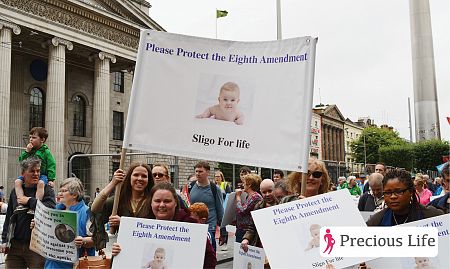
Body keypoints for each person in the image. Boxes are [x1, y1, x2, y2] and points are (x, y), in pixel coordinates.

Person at [112, 182, 216, 268]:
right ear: (151, 203)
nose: (162, 205)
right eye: (157, 201)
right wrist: (120, 252)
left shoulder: (190, 226)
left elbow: (210, 258)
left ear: (175, 202)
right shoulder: (140, 226)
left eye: (167, 201)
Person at [1, 156, 56, 268]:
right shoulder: (15, 191)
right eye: (32, 171)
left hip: (37, 246)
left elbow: (50, 211)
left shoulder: (47, 190)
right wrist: (4, 240)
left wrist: (30, 201)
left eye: (38, 171)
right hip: (15, 245)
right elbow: (10, 216)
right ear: (23, 173)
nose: (36, 174)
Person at [91, 163, 154, 238]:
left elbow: (155, 228)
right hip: (121, 248)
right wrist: (113, 183)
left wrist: (124, 223)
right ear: (129, 177)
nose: (139, 178)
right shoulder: (118, 200)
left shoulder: (154, 201)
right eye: (136, 175)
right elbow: (94, 208)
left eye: (144, 176)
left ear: (148, 180)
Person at [43, 177, 95, 269]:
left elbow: (97, 240)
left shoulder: (87, 213)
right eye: (60, 191)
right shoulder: (55, 210)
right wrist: (37, 226)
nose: (59, 193)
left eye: (64, 191)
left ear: (74, 194)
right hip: (51, 265)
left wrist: (83, 241)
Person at [366, 169, 443, 226]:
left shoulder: (433, 217)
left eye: (399, 192)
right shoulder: (375, 222)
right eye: (388, 193)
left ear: (410, 191)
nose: (393, 196)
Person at [16, 127, 56, 211]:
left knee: (41, 183)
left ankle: (36, 205)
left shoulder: (46, 152)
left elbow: (51, 165)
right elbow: (22, 161)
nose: (31, 139)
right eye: (30, 137)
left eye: (34, 138)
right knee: (17, 182)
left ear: (42, 140)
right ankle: (20, 203)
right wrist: (27, 151)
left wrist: (51, 179)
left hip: (42, 175)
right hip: (29, 175)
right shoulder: (30, 150)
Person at [189, 161, 223, 252]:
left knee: (209, 252)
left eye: (200, 171)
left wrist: (223, 230)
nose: (197, 174)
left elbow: (220, 209)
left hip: (210, 226)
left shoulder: (215, 189)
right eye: (196, 171)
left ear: (208, 172)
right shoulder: (190, 186)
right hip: (193, 225)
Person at [241, 179, 279, 252]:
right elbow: (252, 227)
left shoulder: (281, 204)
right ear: (261, 192)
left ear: (275, 190)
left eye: (270, 191)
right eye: (264, 192)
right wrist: (246, 239)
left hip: (276, 247)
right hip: (261, 247)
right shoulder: (258, 206)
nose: (267, 194)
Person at [235, 174, 262, 243]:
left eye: (244, 183)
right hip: (242, 229)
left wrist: (238, 197)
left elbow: (242, 211)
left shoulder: (255, 197)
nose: (243, 185)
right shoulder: (249, 196)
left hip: (247, 231)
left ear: (249, 185)